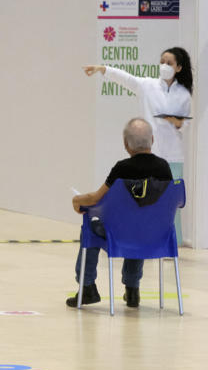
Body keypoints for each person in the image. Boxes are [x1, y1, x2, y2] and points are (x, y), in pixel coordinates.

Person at [83, 47, 192, 240]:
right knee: (145, 199)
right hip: (150, 156)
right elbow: (126, 78)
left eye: (169, 63)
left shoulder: (183, 94)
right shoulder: (147, 85)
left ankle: (171, 240)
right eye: (162, 62)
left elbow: (186, 125)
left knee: (170, 202)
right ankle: (146, 236)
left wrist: (176, 122)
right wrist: (102, 69)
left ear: (179, 67)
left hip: (173, 156)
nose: (164, 66)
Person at [66, 118, 172, 309]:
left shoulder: (122, 168)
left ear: (126, 144)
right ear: (153, 140)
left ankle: (87, 286)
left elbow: (97, 198)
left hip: (121, 235)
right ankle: (132, 290)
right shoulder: (164, 167)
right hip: (156, 235)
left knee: (91, 227)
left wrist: (78, 200)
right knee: (140, 224)